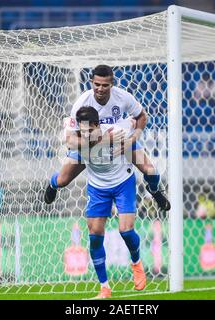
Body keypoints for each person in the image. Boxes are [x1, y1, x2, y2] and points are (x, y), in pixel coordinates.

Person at [44, 65, 170, 211]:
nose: (100, 89)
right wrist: (101, 140)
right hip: (89, 149)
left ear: (112, 84)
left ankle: (154, 190)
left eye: (105, 85)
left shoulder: (123, 97)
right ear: (91, 82)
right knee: (63, 180)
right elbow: (70, 140)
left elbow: (141, 116)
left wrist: (133, 138)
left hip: (120, 143)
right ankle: (53, 184)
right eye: (97, 84)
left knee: (151, 171)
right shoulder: (82, 103)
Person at [75, 106, 146, 299]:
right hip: (98, 187)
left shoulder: (118, 131)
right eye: (82, 132)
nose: (86, 136)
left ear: (98, 125)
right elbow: (72, 142)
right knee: (95, 235)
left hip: (123, 181)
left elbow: (136, 121)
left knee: (126, 230)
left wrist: (132, 130)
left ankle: (136, 263)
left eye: (89, 131)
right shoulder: (78, 139)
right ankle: (104, 288)